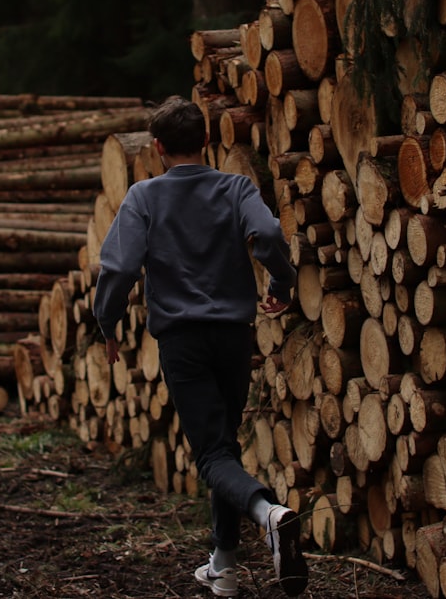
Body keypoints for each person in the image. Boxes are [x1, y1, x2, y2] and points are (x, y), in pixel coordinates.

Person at [93, 96, 308, 597]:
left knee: (212, 454)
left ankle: (268, 514)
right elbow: (270, 232)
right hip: (234, 337)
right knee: (224, 445)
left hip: (182, 341)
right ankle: (223, 563)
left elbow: (120, 268)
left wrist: (107, 322)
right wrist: (281, 283)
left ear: (159, 147)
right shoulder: (235, 187)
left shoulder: (144, 196)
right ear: (206, 140)